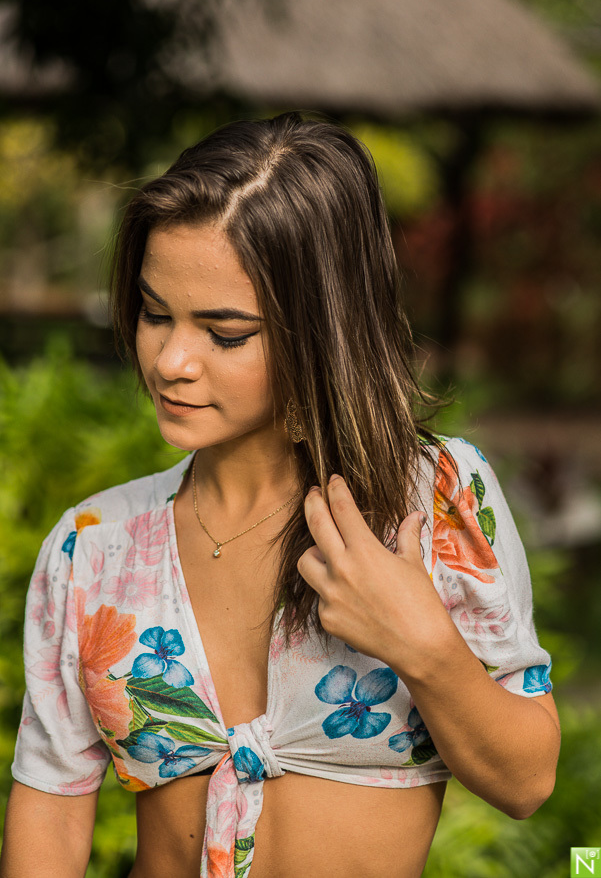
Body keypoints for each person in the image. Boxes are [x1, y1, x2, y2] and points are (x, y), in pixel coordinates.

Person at [0, 111, 560, 878]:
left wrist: (422, 644)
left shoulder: (433, 504)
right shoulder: (93, 545)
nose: (170, 360)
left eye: (224, 334)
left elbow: (526, 783)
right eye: (155, 314)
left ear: (321, 328)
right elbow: (53, 808)